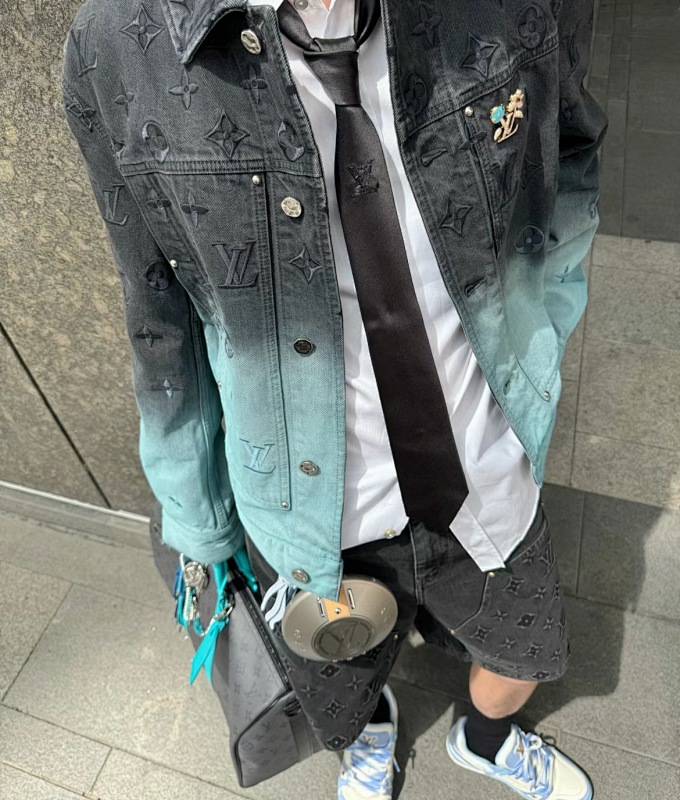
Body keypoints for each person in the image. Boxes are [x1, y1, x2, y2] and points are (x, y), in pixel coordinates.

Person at [62, 0, 607, 798]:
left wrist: (541, 324)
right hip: (303, 507)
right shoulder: (115, 45)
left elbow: (570, 157)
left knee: (525, 651)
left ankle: (487, 740)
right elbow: (156, 307)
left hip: (488, 465)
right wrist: (198, 515)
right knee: (338, 687)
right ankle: (370, 738)